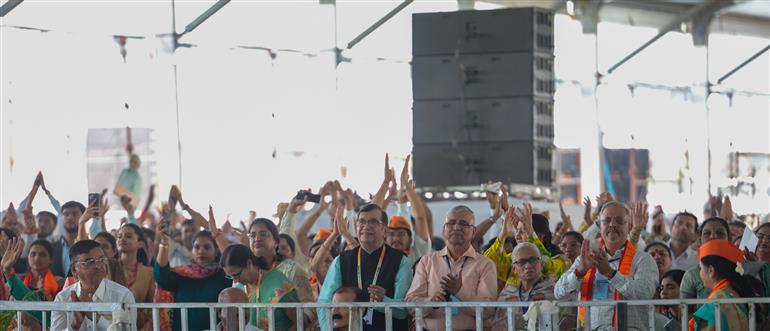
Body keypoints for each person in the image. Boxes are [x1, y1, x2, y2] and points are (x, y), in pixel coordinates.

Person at [555, 201, 659, 330]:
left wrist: (611, 274)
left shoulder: (643, 260)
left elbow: (644, 293)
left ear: (630, 226)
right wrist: (580, 271)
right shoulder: (585, 259)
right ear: (599, 226)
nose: (613, 225)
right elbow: (558, 292)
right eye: (607, 221)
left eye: (619, 221)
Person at [318, 203, 412, 331]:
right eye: (361, 222)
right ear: (356, 227)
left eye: (373, 222)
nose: (366, 226)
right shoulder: (342, 260)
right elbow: (324, 302)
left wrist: (383, 300)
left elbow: (403, 311)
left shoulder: (401, 261)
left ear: (385, 230)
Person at [406, 205, 497, 330]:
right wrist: (430, 302)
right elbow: (410, 304)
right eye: (451, 222)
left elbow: (488, 310)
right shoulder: (427, 262)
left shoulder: (485, 265)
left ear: (473, 231)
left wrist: (460, 292)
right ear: (444, 228)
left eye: (464, 223)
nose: (457, 227)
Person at [154, 219, 230, 331]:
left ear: (216, 251)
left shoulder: (223, 276)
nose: (201, 251)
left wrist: (217, 235)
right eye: (197, 247)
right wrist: (164, 243)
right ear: (192, 251)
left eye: (207, 247)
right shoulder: (182, 275)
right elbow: (161, 278)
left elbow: (232, 264)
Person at [51, 240, 136, 331]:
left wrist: (94, 316)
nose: (98, 266)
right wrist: (74, 326)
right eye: (90, 262)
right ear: (74, 270)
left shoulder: (122, 295)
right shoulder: (62, 298)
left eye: (101, 260)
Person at [221, 244, 299, 331]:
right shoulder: (239, 289)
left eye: (237, 275)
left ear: (249, 264)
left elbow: (300, 322)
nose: (235, 281)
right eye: (230, 277)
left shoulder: (278, 283)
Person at [247, 218, 314, 311]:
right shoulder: (246, 271)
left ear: (276, 242)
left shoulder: (292, 270)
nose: (257, 239)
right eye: (252, 235)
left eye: (263, 234)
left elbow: (309, 309)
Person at [689, 240, 755, 331]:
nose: (699, 273)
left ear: (711, 270)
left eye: (700, 268)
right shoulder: (736, 293)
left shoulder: (716, 300)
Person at [2, 238, 65, 328]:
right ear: (27, 257)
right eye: (33, 254)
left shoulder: (60, 282)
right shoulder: (18, 280)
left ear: (50, 259)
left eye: (42, 255)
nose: (37, 258)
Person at [492, 242, 556, 330]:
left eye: (533, 260)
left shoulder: (555, 290)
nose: (528, 266)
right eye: (521, 262)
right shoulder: (507, 293)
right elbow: (498, 325)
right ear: (514, 268)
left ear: (541, 264)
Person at [680, 217, 731, 299]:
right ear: (700, 240)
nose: (713, 236)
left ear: (729, 239)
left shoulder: (739, 270)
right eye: (707, 233)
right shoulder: (691, 276)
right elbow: (685, 310)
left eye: (720, 233)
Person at [117, 223, 155, 330]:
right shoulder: (109, 267)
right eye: (119, 236)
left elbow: (153, 307)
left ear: (140, 244)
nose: (122, 239)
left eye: (128, 236)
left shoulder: (149, 272)